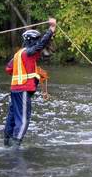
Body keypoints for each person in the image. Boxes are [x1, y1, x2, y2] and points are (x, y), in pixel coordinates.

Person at [4, 18, 56, 147]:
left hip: (15, 90)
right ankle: (15, 145)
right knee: (23, 119)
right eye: (36, 41)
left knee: (12, 117)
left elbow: (8, 69)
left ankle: (7, 141)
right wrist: (51, 29)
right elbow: (41, 45)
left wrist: (30, 72)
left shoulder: (18, 54)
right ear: (32, 41)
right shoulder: (28, 52)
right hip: (23, 91)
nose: (37, 44)